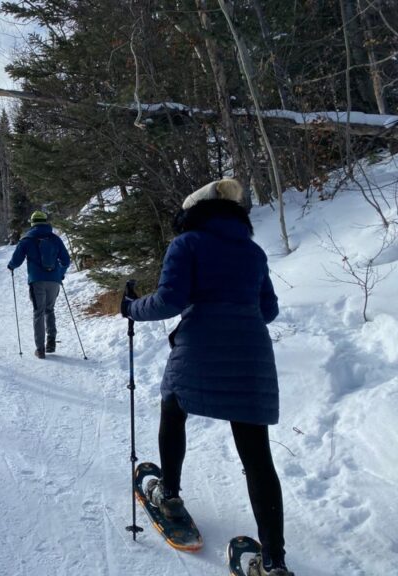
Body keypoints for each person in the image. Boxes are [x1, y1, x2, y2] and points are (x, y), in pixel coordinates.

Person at [120, 179, 293, 576]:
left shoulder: (188, 244)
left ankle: (170, 495)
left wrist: (131, 307)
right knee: (257, 456)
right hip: (252, 357)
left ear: (193, 213)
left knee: (173, 408)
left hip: (199, 349)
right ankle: (274, 561)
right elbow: (269, 310)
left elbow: (169, 301)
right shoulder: (253, 253)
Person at [7, 211, 70, 358]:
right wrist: (60, 274)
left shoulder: (27, 239)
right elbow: (66, 260)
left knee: (38, 313)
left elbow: (17, 260)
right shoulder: (55, 239)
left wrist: (11, 266)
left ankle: (40, 349)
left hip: (37, 281)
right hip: (54, 281)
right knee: (50, 309)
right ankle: (51, 341)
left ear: (32, 223)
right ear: (45, 222)